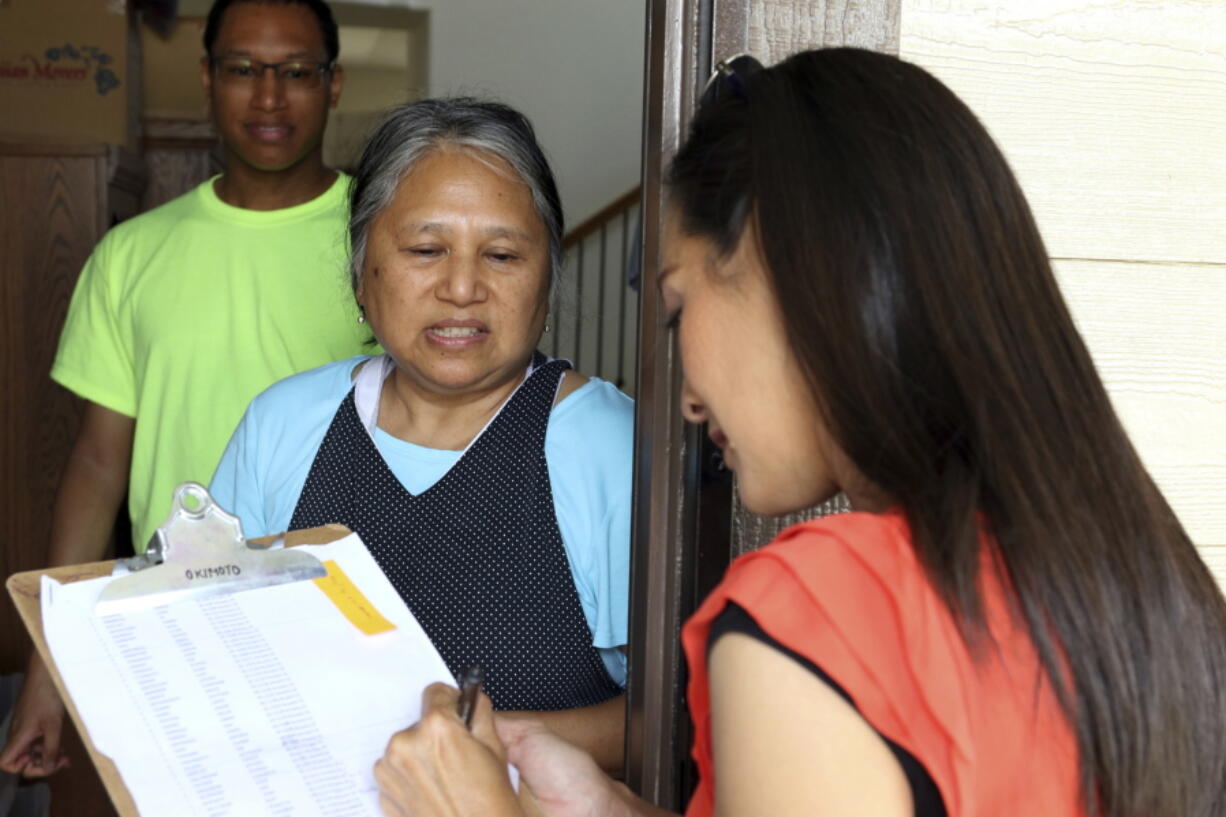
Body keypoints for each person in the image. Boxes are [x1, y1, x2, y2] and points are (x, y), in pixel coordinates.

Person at [371, 48, 1226, 817]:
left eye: (677, 309)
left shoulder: (811, 613)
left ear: (783, 277)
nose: (690, 398)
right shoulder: (1139, 578)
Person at [0, 0, 370, 779]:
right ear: (207, 77)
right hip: (173, 631)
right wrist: (46, 667)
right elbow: (100, 466)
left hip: (340, 625)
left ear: (333, 85)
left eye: (296, 72)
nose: (269, 98)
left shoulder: (390, 241)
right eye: (243, 70)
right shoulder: (130, 255)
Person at [208, 97, 633, 772]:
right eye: (426, 249)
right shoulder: (284, 425)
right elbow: (210, 652)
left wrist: (465, 748)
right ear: (361, 272)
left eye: (500, 254)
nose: (462, 287)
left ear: (546, 284)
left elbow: (676, 710)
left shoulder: (604, 446)